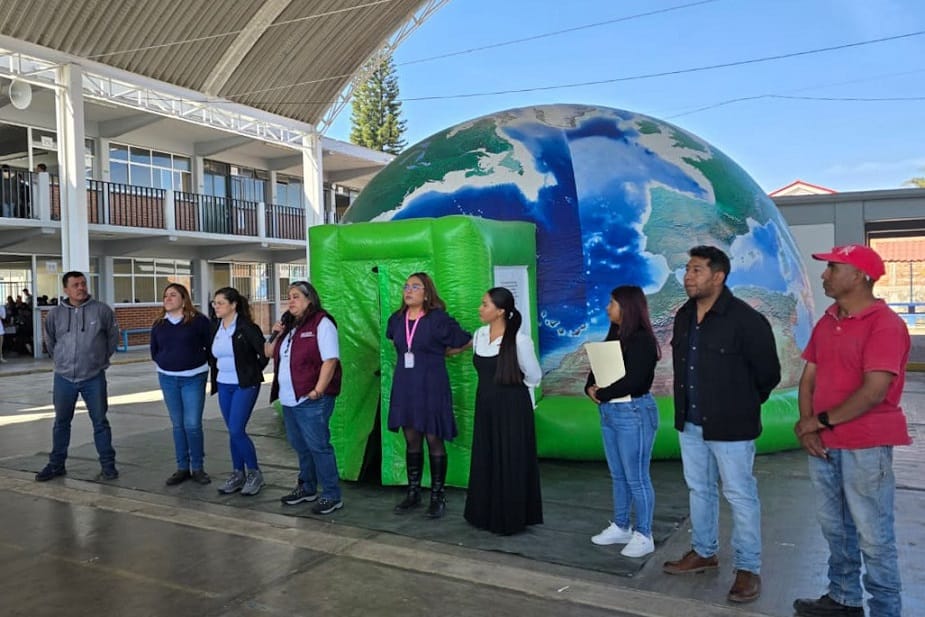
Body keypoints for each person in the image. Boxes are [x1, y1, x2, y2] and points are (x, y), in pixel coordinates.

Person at [792, 245, 910, 617]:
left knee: (873, 536)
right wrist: (809, 429)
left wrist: (818, 422)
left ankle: (886, 610)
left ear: (859, 276)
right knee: (836, 530)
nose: (824, 276)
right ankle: (843, 598)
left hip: (866, 445)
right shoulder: (828, 320)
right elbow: (808, 377)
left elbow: (874, 391)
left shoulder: (885, 324)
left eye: (832, 268)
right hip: (825, 445)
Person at [662, 245, 780, 604]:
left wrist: (739, 406)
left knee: (740, 495)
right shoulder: (683, 316)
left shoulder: (746, 320)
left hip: (732, 428)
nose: (687, 276)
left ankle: (748, 568)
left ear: (718, 276)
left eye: (696, 270)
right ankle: (704, 551)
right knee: (699, 490)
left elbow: (768, 375)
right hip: (691, 424)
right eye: (687, 269)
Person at [387, 272, 472, 518]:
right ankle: (413, 492)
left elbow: (465, 339)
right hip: (405, 385)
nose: (409, 290)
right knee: (411, 438)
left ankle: (437, 496)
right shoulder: (396, 319)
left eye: (415, 286)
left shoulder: (437, 319)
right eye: (406, 286)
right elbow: (398, 343)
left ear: (426, 293)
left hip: (432, 385)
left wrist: (449, 352)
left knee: (434, 439)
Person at [586, 285, 661, 557]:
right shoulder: (615, 335)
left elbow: (635, 380)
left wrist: (602, 392)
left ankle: (644, 533)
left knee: (636, 477)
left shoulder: (642, 340)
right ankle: (621, 525)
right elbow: (598, 368)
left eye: (612, 303)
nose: (608, 308)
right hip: (610, 411)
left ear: (627, 307)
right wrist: (590, 388)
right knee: (618, 474)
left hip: (633, 413)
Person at [464, 287, 543, 535]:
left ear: (500, 311)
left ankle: (510, 517)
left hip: (511, 409)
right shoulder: (478, 335)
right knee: (486, 456)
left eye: (485, 304)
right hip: (485, 406)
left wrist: (513, 395)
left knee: (510, 460)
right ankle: (483, 514)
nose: (480, 308)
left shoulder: (519, 339)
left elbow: (534, 376)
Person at [266, 281, 344, 515]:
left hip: (311, 398)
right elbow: (269, 353)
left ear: (310, 299)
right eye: (289, 296)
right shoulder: (290, 326)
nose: (291, 301)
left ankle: (331, 494)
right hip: (289, 398)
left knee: (318, 446)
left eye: (296, 296)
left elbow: (330, 360)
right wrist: (275, 333)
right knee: (300, 446)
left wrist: (318, 390)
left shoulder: (322, 322)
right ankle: (307, 487)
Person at [36, 271, 120, 482]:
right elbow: (51, 341)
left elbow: (112, 338)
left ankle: (108, 466)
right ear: (66, 289)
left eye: (83, 284)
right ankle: (56, 465)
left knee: (100, 422)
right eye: (76, 285)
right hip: (64, 378)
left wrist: (99, 360)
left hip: (93, 377)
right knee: (61, 422)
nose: (81, 288)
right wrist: (62, 361)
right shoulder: (55, 314)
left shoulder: (101, 310)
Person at [150, 283, 213, 486]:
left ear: (183, 299)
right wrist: (164, 361)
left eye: (173, 295)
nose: (167, 299)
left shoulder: (199, 321)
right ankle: (182, 467)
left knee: (192, 424)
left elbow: (211, 346)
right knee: (177, 425)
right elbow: (154, 350)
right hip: (168, 378)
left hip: (194, 377)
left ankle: (198, 467)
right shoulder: (159, 323)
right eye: (165, 295)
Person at [209, 287, 269, 496]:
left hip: (244, 385)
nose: (216, 307)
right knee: (233, 432)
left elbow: (264, 354)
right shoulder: (215, 327)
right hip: (223, 384)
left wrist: (251, 373)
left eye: (220, 303)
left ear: (233, 305)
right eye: (214, 303)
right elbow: (213, 355)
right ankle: (238, 473)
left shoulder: (246, 328)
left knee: (236, 429)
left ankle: (254, 473)